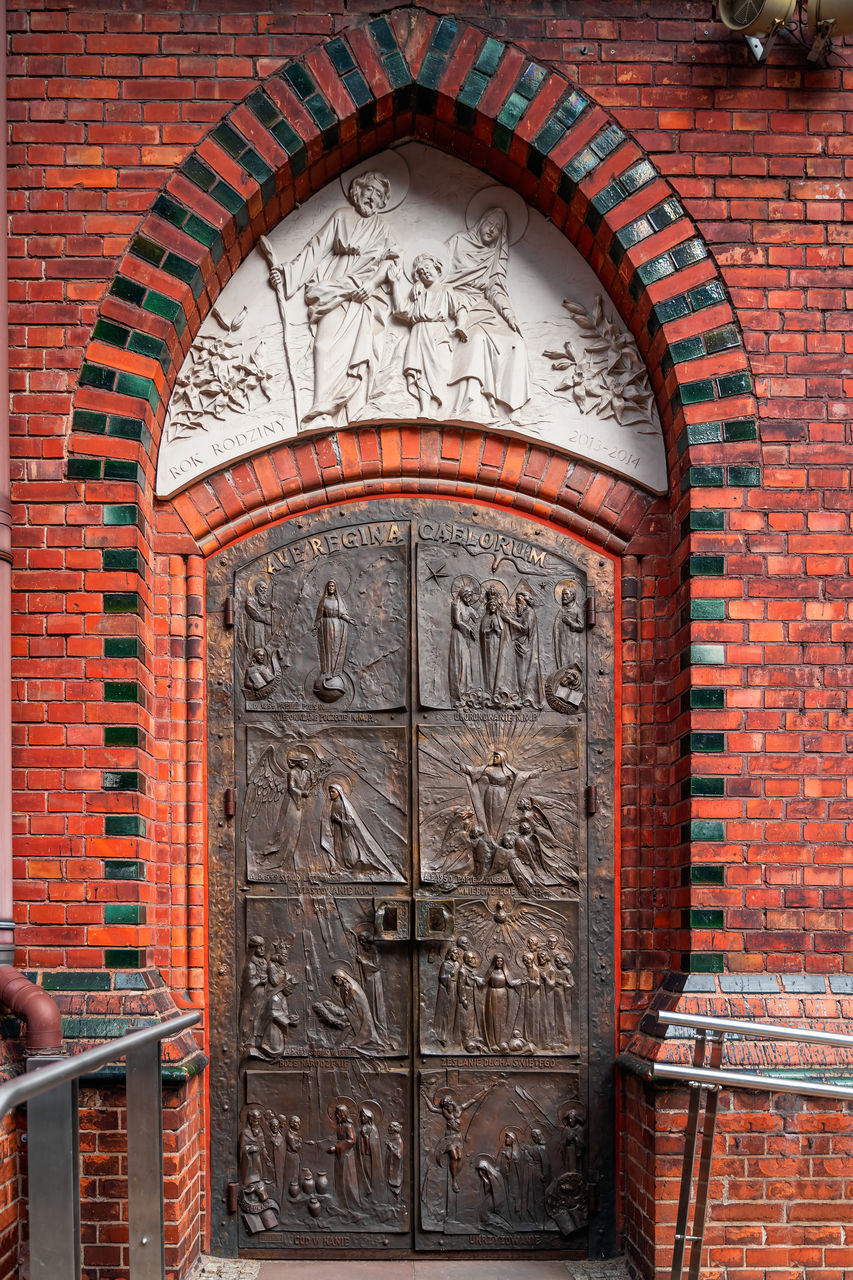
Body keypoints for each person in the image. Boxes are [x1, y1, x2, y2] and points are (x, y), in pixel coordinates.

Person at [273, 171, 400, 426]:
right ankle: (322, 404)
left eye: (378, 194)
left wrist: (371, 284)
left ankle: (336, 408)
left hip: (362, 296)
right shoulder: (341, 216)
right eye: (369, 190)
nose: (372, 197)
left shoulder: (384, 229)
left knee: (353, 352)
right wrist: (288, 275)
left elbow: (391, 263)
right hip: (334, 288)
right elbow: (316, 248)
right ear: (358, 190)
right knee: (322, 345)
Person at [442, 206, 531, 419]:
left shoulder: (493, 255)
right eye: (490, 223)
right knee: (477, 338)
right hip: (456, 300)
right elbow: (439, 273)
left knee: (516, 343)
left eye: (498, 229)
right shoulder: (458, 242)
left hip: (482, 306)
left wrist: (509, 315)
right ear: (481, 222)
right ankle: (471, 401)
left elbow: (495, 288)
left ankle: (513, 407)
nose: (492, 230)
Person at [392, 250, 467, 415]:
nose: (425, 272)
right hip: (420, 332)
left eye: (427, 267)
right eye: (421, 272)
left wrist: (461, 325)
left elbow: (459, 308)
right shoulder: (419, 293)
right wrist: (395, 283)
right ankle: (425, 409)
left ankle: (440, 408)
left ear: (438, 268)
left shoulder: (446, 290)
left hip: (440, 331)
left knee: (443, 366)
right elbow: (401, 310)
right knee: (421, 371)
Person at [496, 589, 543, 708]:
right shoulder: (524, 612)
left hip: (526, 649)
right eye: (516, 601)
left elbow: (524, 629)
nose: (516, 603)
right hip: (521, 648)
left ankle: (526, 698)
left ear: (525, 601)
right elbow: (519, 622)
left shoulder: (529, 613)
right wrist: (507, 614)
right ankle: (522, 697)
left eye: (518, 601)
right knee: (520, 675)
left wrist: (508, 620)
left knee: (523, 675)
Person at [448, 582, 480, 705]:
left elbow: (477, 618)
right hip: (458, 636)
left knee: (466, 662)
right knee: (458, 661)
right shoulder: (456, 604)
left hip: (465, 637)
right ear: (462, 595)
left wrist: (482, 606)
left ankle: (466, 691)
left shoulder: (469, 608)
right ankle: (457, 693)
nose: (470, 599)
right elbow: (457, 621)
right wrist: (469, 629)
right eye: (467, 596)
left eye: (471, 596)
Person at [313, 580, 353, 678]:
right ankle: (327, 671)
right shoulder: (324, 600)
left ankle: (335, 671)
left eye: (333, 586)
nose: (331, 588)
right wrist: (316, 627)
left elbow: (342, 614)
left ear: (335, 588)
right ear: (327, 587)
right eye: (329, 586)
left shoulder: (338, 601)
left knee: (335, 648)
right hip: (325, 626)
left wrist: (349, 620)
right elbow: (319, 616)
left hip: (336, 626)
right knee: (327, 648)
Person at [327, 1104, 360, 1213]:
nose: (336, 1116)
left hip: (346, 1156)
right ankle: (341, 1201)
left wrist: (336, 1147)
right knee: (339, 1177)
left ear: (343, 1114)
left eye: (338, 1114)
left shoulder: (348, 1126)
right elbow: (338, 1138)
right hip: (340, 1156)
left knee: (347, 1179)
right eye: (336, 1114)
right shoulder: (339, 1126)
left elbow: (352, 1140)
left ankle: (350, 1203)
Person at [553, 584, 584, 670]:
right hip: (562, 642)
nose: (564, 597)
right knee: (563, 661)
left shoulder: (577, 610)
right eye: (563, 594)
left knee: (572, 660)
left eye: (566, 594)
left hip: (572, 642)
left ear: (573, 596)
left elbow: (581, 626)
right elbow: (556, 626)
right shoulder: (561, 610)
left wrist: (570, 622)